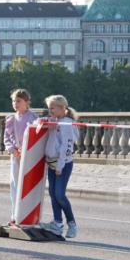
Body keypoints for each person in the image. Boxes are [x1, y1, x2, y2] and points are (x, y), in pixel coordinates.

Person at [40, 94, 79, 238]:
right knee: (53, 194)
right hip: (51, 163)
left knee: (60, 195)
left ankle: (72, 224)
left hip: (62, 164)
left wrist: (60, 166)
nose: (50, 110)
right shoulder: (55, 120)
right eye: (49, 108)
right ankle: (57, 223)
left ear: (62, 108)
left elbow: (67, 146)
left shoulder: (66, 123)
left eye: (52, 108)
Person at [4, 88, 38, 224]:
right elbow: (7, 136)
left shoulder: (33, 118)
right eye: (13, 101)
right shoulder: (11, 118)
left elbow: (36, 136)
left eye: (18, 101)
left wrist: (26, 149)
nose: (15, 104)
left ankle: (27, 215)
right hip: (16, 155)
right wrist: (12, 149)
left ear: (26, 102)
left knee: (27, 186)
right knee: (15, 185)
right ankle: (14, 215)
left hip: (29, 156)